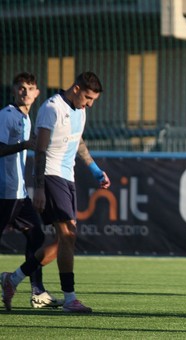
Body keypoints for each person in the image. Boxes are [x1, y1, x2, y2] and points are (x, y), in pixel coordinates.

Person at [30, 71, 110, 313]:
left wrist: (95, 169)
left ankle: (13, 278)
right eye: (87, 97)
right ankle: (70, 298)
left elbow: (78, 142)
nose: (90, 104)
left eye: (93, 99)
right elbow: (40, 150)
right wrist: (40, 188)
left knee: (65, 239)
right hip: (51, 174)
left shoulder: (81, 110)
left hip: (68, 177)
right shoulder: (51, 108)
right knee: (68, 235)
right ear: (76, 89)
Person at [0, 72, 63, 311]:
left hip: (18, 193)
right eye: (21, 88)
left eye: (30, 88)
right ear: (14, 90)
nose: (25, 92)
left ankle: (38, 291)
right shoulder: (6, 115)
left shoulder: (27, 118)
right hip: (4, 192)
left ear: (37, 93)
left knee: (36, 237)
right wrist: (25, 144)